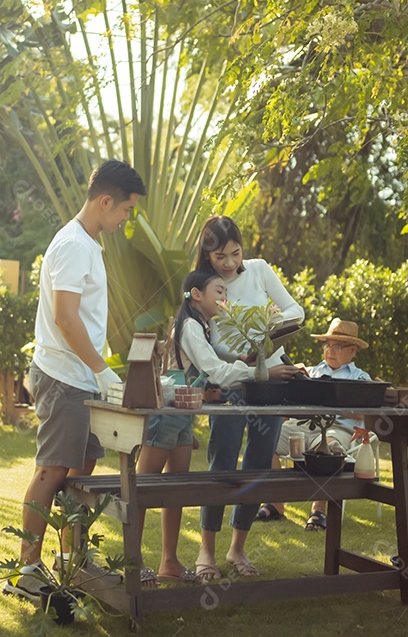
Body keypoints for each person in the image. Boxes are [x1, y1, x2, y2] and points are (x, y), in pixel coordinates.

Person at [7, 160, 146, 601]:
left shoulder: (88, 244)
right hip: (64, 378)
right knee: (51, 471)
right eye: (125, 210)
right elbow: (65, 318)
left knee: (81, 472)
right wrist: (103, 370)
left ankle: (72, 559)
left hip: (82, 380)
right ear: (105, 201)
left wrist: (98, 374)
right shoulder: (71, 246)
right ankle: (27, 571)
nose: (126, 219)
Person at [136, 270, 300, 587]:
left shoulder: (205, 326)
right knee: (144, 489)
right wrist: (261, 372)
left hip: (183, 413)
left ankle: (168, 562)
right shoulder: (189, 327)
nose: (225, 298)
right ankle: (135, 562)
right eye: (219, 291)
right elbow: (216, 371)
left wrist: (253, 358)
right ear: (197, 294)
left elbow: (223, 359)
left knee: (177, 489)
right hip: (166, 412)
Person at [193, 216, 304, 582]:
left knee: (258, 463)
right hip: (231, 384)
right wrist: (244, 356)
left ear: (244, 249)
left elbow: (295, 311)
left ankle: (237, 546)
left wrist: (264, 335)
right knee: (221, 462)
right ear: (206, 254)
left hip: (269, 383)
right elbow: (214, 342)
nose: (228, 263)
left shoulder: (258, 270)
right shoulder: (205, 287)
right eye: (219, 256)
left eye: (234, 253)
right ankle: (206, 551)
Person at [256, 318, 373, 530]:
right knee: (267, 439)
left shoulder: (360, 378)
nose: (330, 350)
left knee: (329, 448)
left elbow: (365, 413)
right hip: (302, 425)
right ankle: (275, 503)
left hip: (339, 429)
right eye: (327, 345)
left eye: (337, 346)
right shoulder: (311, 372)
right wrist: (296, 384)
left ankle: (318, 510)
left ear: (353, 351)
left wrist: (331, 402)